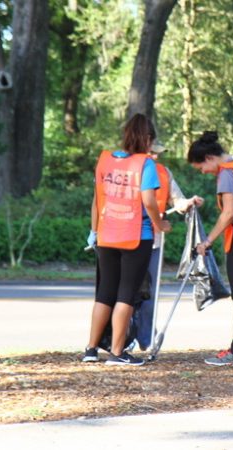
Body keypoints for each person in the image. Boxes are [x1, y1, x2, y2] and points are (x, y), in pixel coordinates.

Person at [83, 113, 171, 366]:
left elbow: (97, 200)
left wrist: (94, 230)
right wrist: (159, 224)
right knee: (126, 294)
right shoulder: (145, 164)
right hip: (135, 235)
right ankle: (117, 352)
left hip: (107, 233)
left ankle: (91, 348)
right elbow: (148, 200)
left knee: (105, 292)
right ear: (147, 139)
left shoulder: (106, 162)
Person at [187, 131, 233, 366]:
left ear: (209, 157)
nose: (202, 172)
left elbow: (229, 213)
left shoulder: (226, 175)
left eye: (200, 167)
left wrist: (207, 241)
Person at [132, 142, 204, 351]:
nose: (155, 157)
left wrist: (187, 203)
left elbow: (177, 200)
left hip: (154, 241)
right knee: (127, 292)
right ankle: (124, 338)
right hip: (126, 238)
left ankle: (146, 339)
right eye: (151, 153)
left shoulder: (164, 173)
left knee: (148, 293)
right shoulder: (129, 169)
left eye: (157, 154)